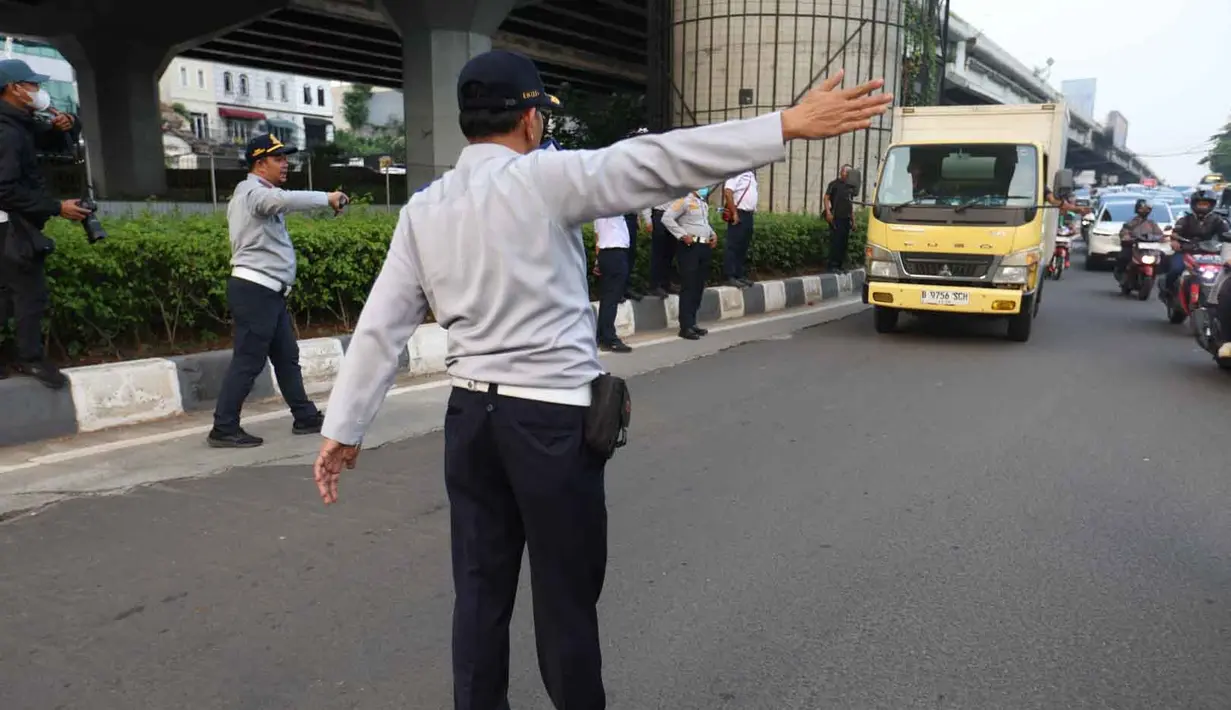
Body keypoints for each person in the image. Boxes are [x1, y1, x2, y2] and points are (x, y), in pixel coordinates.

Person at [312, 48, 891, 710]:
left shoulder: (424, 207)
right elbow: (656, 162)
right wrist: (782, 124)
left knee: (478, 593)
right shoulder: (544, 180)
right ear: (530, 120)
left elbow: (381, 325)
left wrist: (343, 430)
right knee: (564, 598)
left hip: (470, 422)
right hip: (548, 427)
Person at [206, 133, 347, 448]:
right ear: (259, 164)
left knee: (286, 356)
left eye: (286, 158)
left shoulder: (258, 191)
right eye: (278, 158)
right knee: (248, 360)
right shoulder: (252, 192)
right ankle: (224, 426)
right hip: (255, 290)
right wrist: (326, 197)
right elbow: (278, 201)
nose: (286, 164)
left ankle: (305, 416)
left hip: (268, 293)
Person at [0, 58, 89, 388]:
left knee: (7, 295)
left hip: (10, 221)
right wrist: (56, 207)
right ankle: (31, 359)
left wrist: (68, 124)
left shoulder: (19, 122)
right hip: (9, 224)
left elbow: (50, 138)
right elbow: (4, 189)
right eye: (33, 85)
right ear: (14, 89)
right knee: (29, 293)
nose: (38, 91)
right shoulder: (6, 132)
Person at [661, 187, 718, 340]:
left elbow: (703, 223)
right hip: (689, 247)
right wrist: (681, 235)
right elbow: (666, 218)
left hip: (704, 246)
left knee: (699, 285)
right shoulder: (683, 200)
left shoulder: (702, 203)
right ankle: (685, 326)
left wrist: (713, 234)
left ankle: (692, 322)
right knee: (689, 285)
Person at [1165, 189, 1229, 298]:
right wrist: (1175, 242)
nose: (1202, 207)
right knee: (1175, 270)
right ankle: (1169, 291)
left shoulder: (1218, 221)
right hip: (1186, 251)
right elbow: (1175, 234)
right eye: (1200, 204)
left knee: (1225, 273)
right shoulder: (1184, 220)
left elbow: (1226, 236)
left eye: (1205, 204)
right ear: (1194, 204)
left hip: (1212, 254)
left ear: (1211, 205)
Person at [592, 214, 634, 352]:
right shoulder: (611, 208)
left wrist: (598, 260)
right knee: (612, 297)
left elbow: (597, 237)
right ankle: (610, 338)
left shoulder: (599, 211)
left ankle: (602, 336)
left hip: (607, 253)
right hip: (615, 253)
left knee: (607, 297)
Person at [721, 170, 758, 288]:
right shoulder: (735, 172)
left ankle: (739, 275)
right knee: (733, 245)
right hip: (738, 213)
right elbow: (728, 192)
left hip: (748, 214)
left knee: (743, 246)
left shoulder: (751, 175)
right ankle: (730, 276)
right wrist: (734, 212)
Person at [1114, 198, 1162, 278]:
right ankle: (1122, 273)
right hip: (1135, 246)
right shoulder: (1132, 222)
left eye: (1147, 209)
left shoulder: (1152, 223)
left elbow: (1159, 233)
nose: (1145, 210)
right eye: (1142, 208)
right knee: (1124, 256)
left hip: (1148, 248)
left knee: (1162, 256)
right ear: (1138, 209)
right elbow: (1124, 231)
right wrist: (1126, 237)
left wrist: (1163, 238)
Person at [824, 164, 856, 272]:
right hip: (836, 218)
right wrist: (828, 212)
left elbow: (850, 205)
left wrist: (853, 220)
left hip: (846, 218)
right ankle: (832, 265)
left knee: (844, 243)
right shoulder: (834, 184)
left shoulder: (850, 187)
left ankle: (840, 265)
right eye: (847, 172)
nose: (848, 174)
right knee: (836, 242)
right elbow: (826, 197)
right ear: (842, 172)